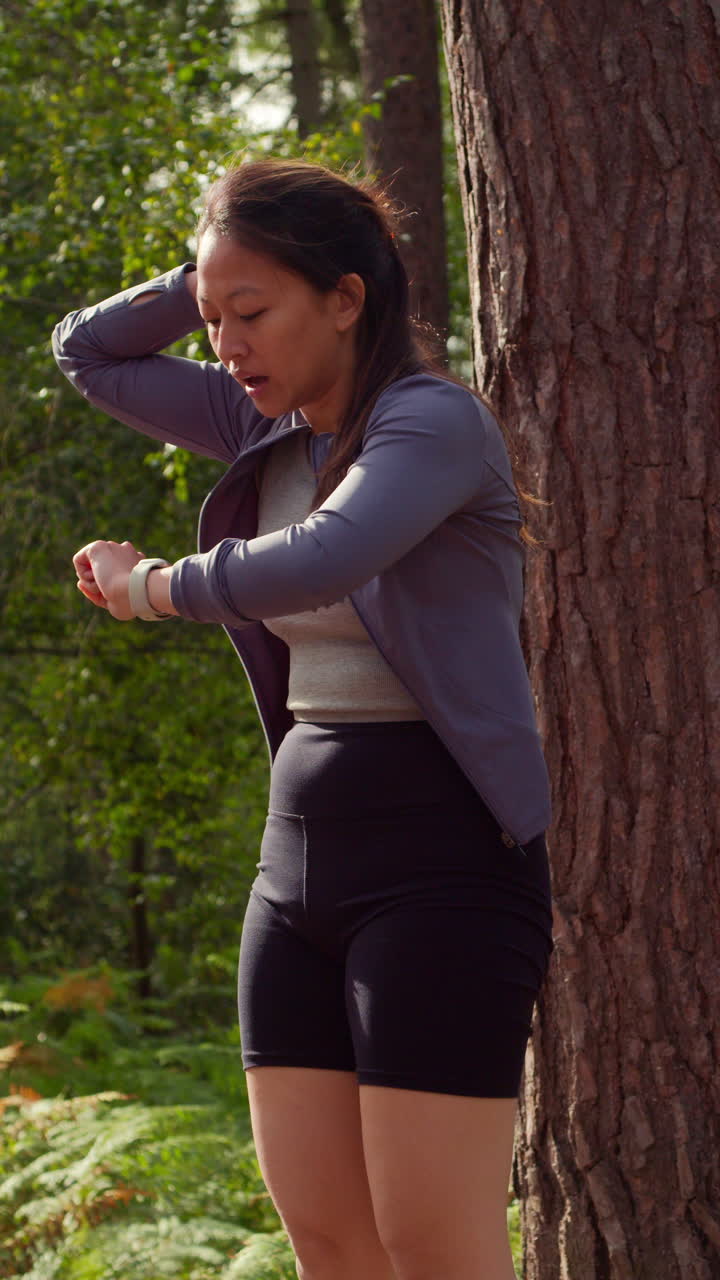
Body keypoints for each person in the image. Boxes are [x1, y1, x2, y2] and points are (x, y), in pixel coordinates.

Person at [53, 158, 554, 1280]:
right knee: (330, 1241)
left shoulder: (433, 422)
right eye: (214, 319)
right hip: (296, 864)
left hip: (445, 863)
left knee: (434, 1246)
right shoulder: (262, 417)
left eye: (254, 311)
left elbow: (328, 552)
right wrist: (215, 264)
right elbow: (87, 353)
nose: (228, 345)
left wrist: (152, 587)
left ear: (345, 296)